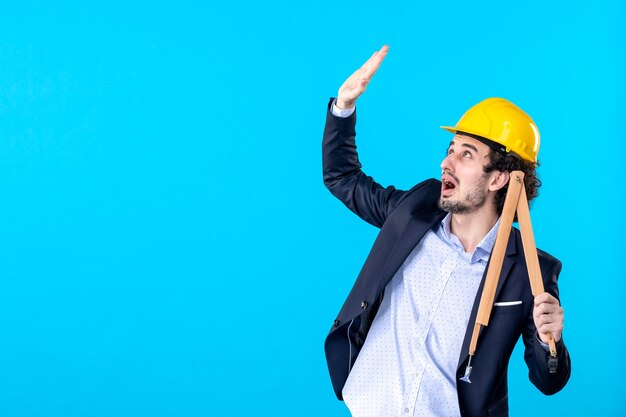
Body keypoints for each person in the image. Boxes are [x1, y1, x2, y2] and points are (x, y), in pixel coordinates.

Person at [322, 45, 571, 417]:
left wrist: (551, 342)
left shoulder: (530, 271)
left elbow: (548, 380)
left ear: (500, 177)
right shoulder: (413, 212)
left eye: (466, 154)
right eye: (450, 149)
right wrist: (343, 107)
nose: (445, 162)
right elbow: (343, 177)